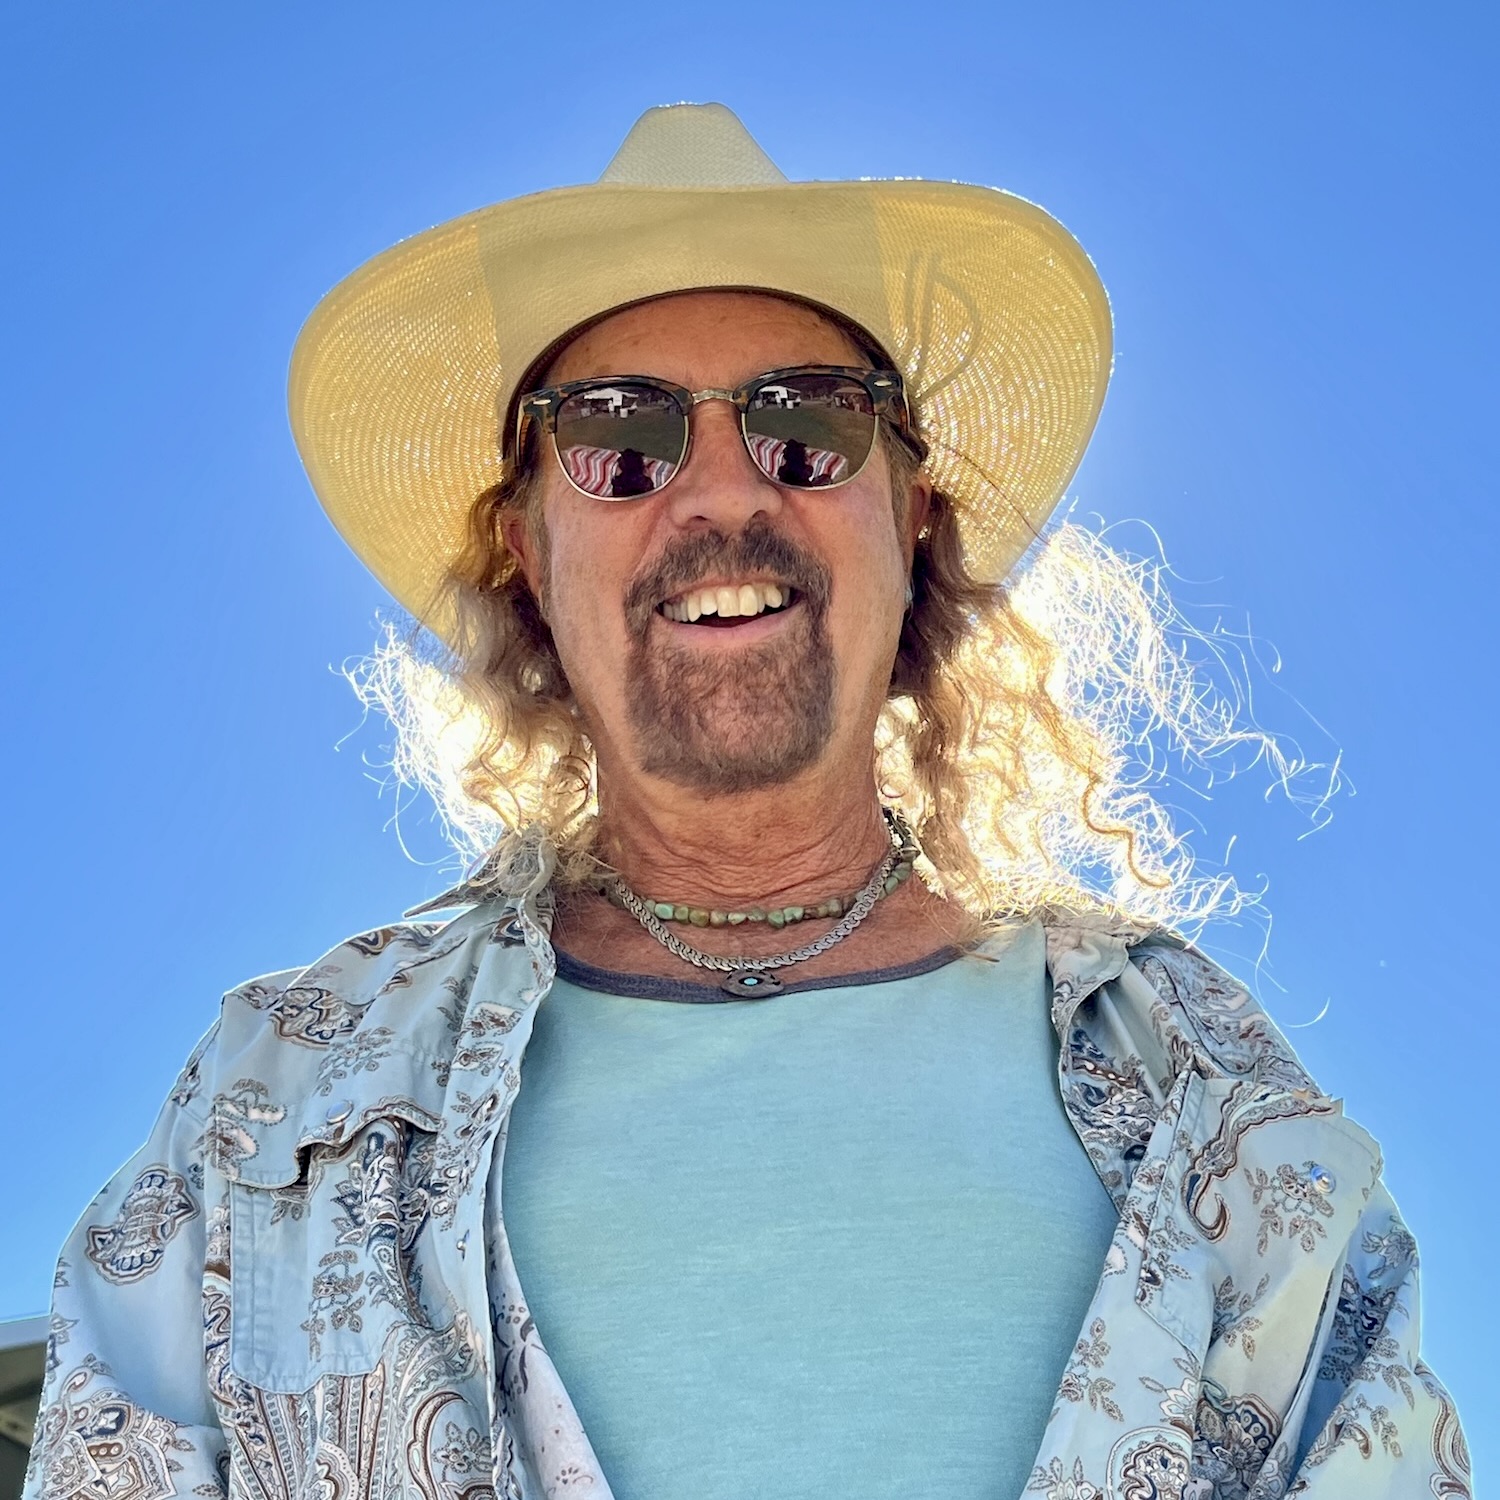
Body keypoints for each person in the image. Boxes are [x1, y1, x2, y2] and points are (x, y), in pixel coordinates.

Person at [25, 104, 1470, 1500]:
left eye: (808, 426)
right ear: (528, 548)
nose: (723, 494)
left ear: (911, 514)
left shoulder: (1190, 1073)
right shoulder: (280, 1101)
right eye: (619, 441)